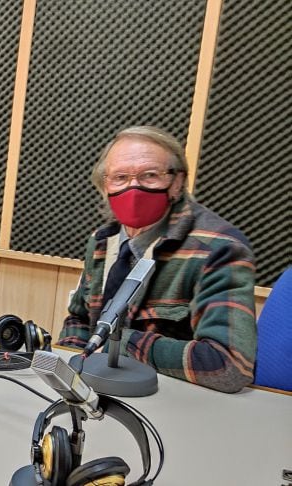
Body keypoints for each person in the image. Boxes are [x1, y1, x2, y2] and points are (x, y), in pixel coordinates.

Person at [57, 126, 257, 393]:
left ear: (176, 182)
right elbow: (79, 318)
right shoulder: (102, 241)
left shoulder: (219, 248)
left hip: (170, 399)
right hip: (94, 388)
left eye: (149, 175)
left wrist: (120, 343)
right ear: (105, 185)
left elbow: (229, 367)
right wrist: (72, 368)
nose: (134, 186)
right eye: (120, 177)